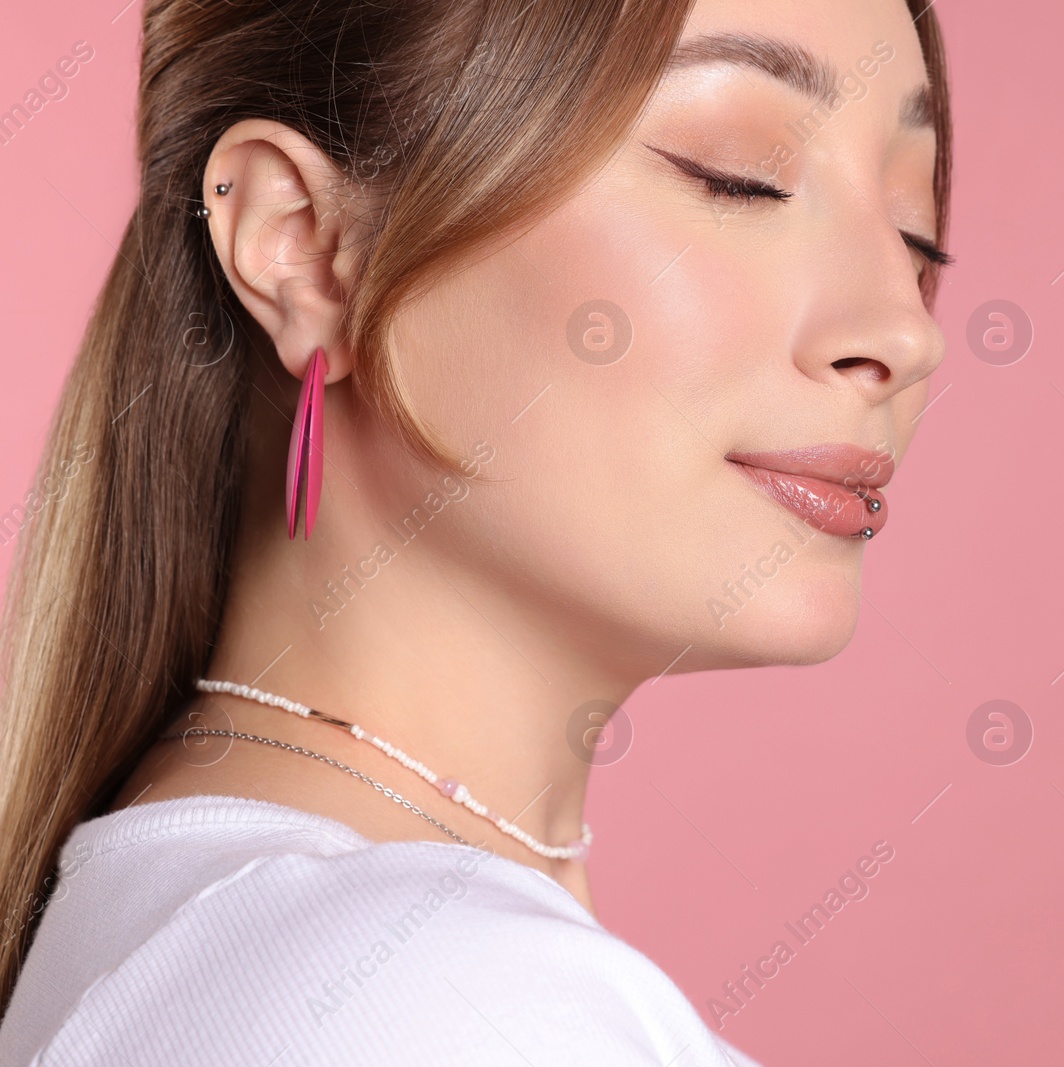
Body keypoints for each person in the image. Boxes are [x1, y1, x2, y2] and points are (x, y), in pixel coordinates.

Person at [0, 0, 951, 1062]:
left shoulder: (223, 924)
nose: (906, 332)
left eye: (916, 231)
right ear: (305, 246)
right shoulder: (431, 999)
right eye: (738, 176)